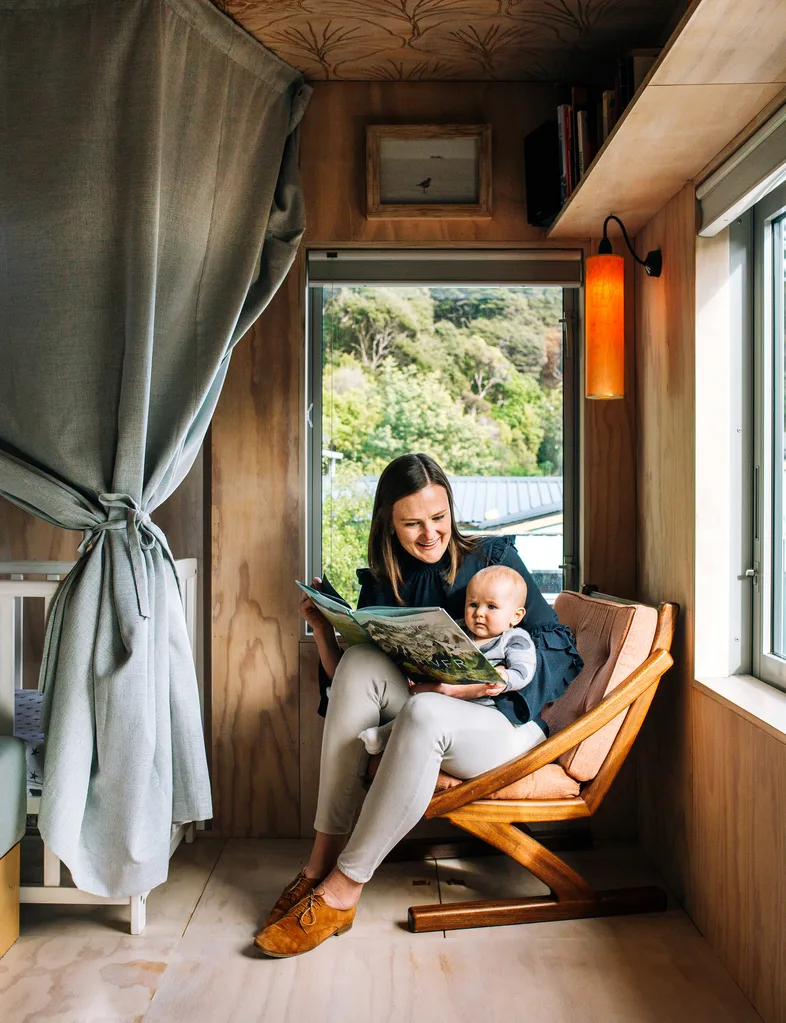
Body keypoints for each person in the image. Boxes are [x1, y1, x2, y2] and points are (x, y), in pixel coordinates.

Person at [254, 453, 582, 959]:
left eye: (439, 518)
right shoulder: (386, 580)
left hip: (499, 724)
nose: (430, 534)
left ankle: (344, 888)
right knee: (362, 661)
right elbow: (344, 684)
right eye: (412, 524)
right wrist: (324, 627)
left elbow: (557, 644)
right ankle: (319, 865)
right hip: (423, 713)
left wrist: (478, 689)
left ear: (452, 508)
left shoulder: (493, 558)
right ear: (388, 522)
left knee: (424, 712)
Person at [359, 563, 537, 755]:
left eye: (491, 606)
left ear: (516, 616)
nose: (479, 613)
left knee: (427, 711)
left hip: (485, 710)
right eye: (473, 604)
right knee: (417, 707)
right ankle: (385, 735)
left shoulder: (514, 639)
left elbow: (524, 670)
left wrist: (506, 678)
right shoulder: (457, 630)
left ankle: (385, 735)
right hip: (445, 699)